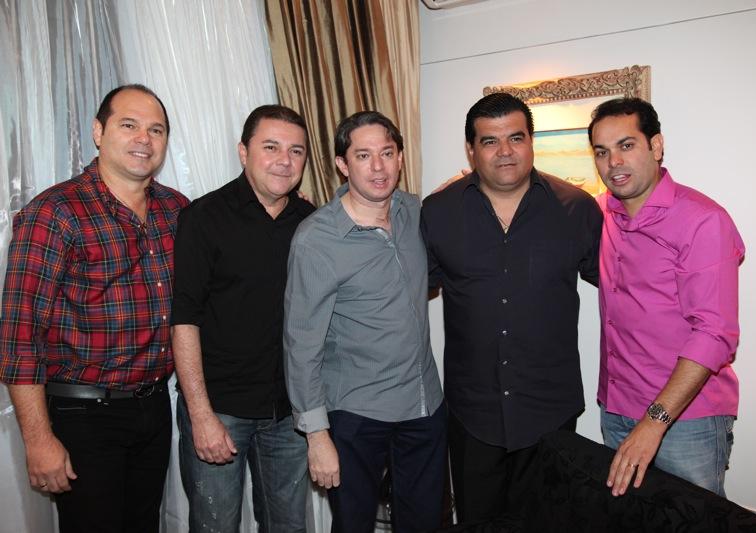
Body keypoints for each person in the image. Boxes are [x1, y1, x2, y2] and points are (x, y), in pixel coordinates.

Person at [0, 84, 189, 533]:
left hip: (153, 407)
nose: (144, 139)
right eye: (129, 125)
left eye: (156, 130)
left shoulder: (176, 210)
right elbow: (19, 336)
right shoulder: (54, 213)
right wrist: (38, 440)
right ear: (98, 132)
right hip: (82, 415)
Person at [421, 92, 603, 524]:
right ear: (471, 149)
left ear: (530, 142)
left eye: (515, 138)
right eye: (490, 141)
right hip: (473, 414)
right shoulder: (438, 212)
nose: (505, 151)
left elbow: (623, 288)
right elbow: (408, 292)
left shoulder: (577, 208)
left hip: (549, 409)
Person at [284, 111, 446, 533]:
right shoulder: (316, 239)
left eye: (387, 153)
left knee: (426, 524)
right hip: (356, 415)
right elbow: (301, 345)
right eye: (363, 155)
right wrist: (317, 436)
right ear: (343, 164)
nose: (378, 167)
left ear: (400, 157)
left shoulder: (414, 211)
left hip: (423, 405)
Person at [588, 97, 744, 497]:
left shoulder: (702, 221)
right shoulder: (603, 212)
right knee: (628, 521)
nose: (614, 162)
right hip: (616, 410)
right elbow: (549, 198)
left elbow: (714, 334)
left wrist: (654, 422)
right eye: (602, 152)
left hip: (686, 422)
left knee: (695, 521)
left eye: (626, 145)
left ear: (656, 146)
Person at [171, 105, 314, 531]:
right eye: (271, 147)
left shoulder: (312, 223)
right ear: (243, 152)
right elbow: (184, 320)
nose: (284, 160)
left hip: (290, 414)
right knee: (215, 525)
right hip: (220, 409)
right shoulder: (203, 218)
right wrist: (200, 415)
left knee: (289, 527)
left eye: (296, 151)